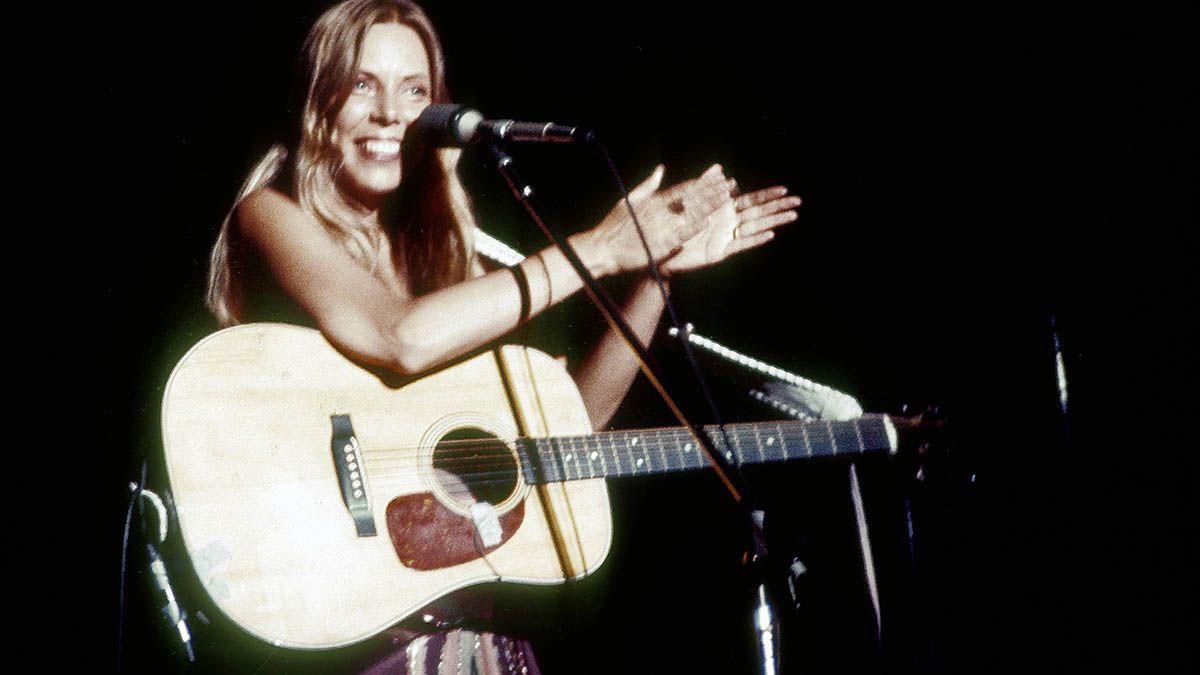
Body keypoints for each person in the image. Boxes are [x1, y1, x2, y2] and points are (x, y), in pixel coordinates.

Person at [205, 0, 800, 671]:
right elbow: (399, 335)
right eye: (362, 84)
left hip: (473, 642)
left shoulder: (447, 258)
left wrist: (652, 277)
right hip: (347, 641)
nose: (389, 114)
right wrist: (598, 249)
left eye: (415, 91)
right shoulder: (269, 216)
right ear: (319, 101)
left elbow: (572, 421)